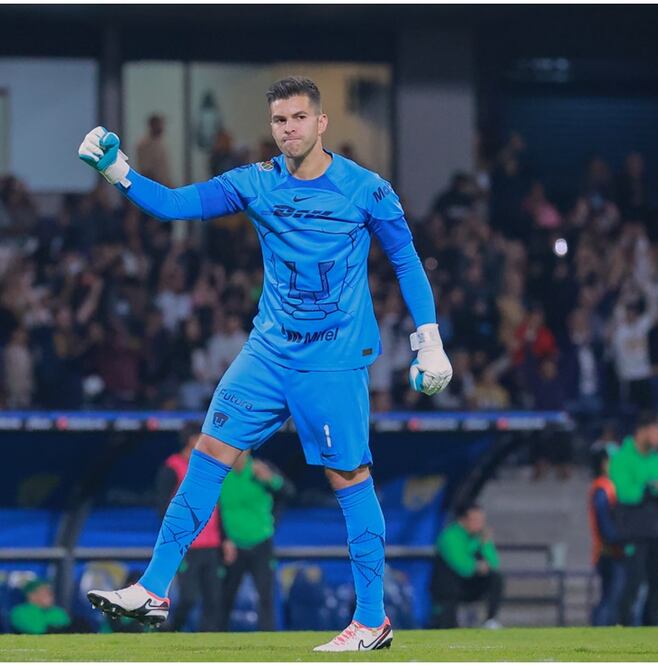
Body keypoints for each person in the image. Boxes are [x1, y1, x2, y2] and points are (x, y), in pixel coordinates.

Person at [79, 75, 452, 652]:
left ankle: (373, 621)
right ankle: (153, 588)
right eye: (280, 121)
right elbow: (177, 205)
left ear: (322, 122)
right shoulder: (255, 183)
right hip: (267, 352)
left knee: (348, 477)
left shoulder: (367, 189)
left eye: (299, 118)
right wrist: (118, 172)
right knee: (207, 453)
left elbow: (405, 258)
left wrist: (429, 340)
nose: (289, 130)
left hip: (332, 361)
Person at [154, 424, 225, 632]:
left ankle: (208, 642)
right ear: (192, 440)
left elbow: (219, 506)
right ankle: (171, 630)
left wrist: (225, 538)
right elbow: (162, 507)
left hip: (212, 543)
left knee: (214, 598)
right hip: (188, 546)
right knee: (189, 597)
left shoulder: (209, 468)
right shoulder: (172, 467)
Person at [218, 451, 294, 631]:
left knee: (266, 597)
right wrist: (224, 539)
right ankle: (216, 640)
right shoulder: (220, 472)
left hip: (261, 542)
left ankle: (269, 641)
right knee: (225, 597)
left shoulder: (261, 468)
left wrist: (271, 479)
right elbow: (215, 509)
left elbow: (289, 492)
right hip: (232, 545)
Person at [609, 410, 658, 626]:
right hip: (633, 530)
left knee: (656, 586)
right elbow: (624, 493)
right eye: (657, 432)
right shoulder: (621, 457)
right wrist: (652, 486)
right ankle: (621, 627)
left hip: (656, 530)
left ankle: (652, 635)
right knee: (633, 583)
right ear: (642, 432)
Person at [429, 503, 503, 630]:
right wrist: (478, 566)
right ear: (462, 520)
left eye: (481, 520)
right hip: (449, 587)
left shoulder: (480, 537)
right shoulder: (450, 536)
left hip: (470, 585)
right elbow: (462, 566)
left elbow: (494, 564)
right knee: (447, 621)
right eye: (475, 520)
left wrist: (485, 544)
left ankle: (490, 620)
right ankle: (447, 625)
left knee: (496, 578)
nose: (480, 524)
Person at [588, 444, 625, 626]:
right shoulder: (603, 489)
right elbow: (605, 524)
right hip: (610, 552)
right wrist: (620, 540)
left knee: (611, 597)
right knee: (611, 598)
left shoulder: (605, 487)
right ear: (604, 463)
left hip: (609, 550)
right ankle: (600, 633)